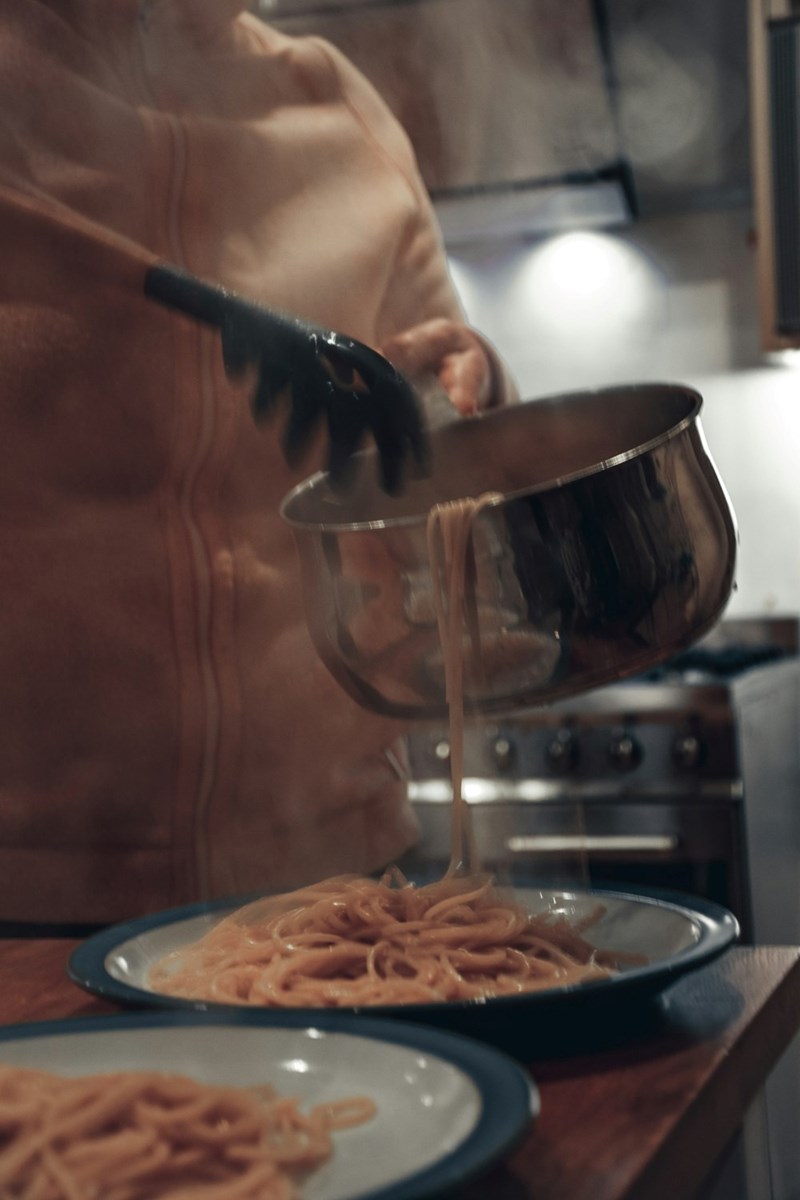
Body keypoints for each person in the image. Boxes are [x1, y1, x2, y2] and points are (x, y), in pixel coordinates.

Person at [0, 0, 517, 928]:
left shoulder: (332, 108)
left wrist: (457, 392)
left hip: (334, 879)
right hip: (21, 900)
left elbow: (449, 451)